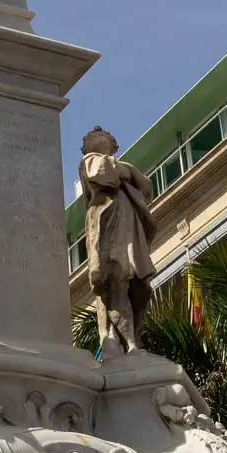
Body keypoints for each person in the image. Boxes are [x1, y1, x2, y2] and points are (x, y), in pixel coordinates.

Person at [78, 127, 157, 360]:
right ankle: (127, 343)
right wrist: (128, 171)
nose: (97, 134)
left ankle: (126, 338)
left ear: (113, 144)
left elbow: (146, 188)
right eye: (92, 136)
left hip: (129, 228)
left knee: (140, 287)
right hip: (106, 225)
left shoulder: (125, 174)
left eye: (103, 135)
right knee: (115, 280)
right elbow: (108, 176)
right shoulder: (88, 162)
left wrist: (129, 172)